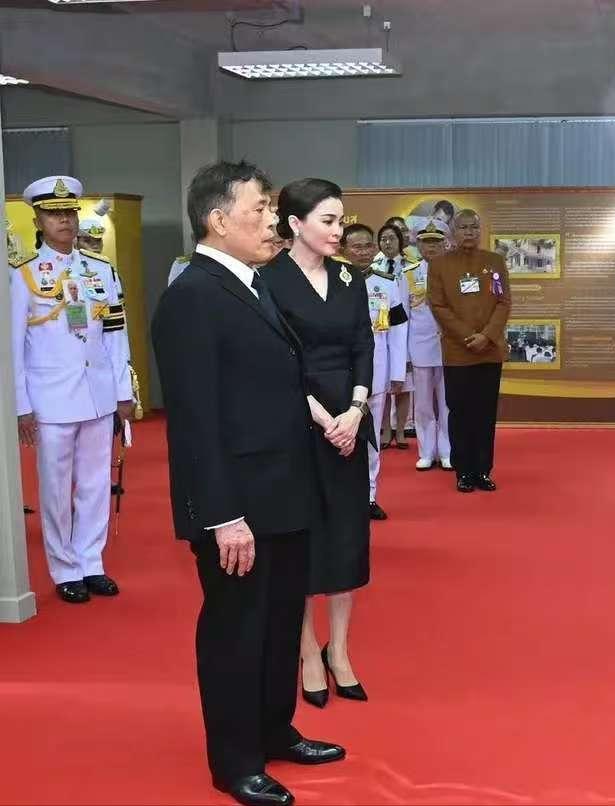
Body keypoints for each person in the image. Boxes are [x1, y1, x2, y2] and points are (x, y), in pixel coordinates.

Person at [151, 161, 345, 806]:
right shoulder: (193, 297)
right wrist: (221, 515)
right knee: (237, 631)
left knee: (281, 620)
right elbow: (195, 420)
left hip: (282, 492)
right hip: (237, 505)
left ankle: (272, 730)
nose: (271, 220)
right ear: (218, 220)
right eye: (258, 209)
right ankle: (234, 761)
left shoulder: (251, 283)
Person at [260, 180, 375, 711]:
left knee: (348, 536)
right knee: (304, 539)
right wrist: (324, 416)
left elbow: (363, 345)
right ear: (295, 223)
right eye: (328, 220)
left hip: (349, 420)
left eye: (341, 220)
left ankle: (340, 650)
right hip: (298, 420)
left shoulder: (351, 279)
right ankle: (307, 651)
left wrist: (355, 410)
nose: (338, 230)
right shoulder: (268, 280)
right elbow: (276, 359)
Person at [11, 175, 133, 604]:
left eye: (69, 212)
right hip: (50, 399)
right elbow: (13, 347)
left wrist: (123, 391)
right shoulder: (22, 275)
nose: (64, 220)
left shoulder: (100, 270)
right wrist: (21, 405)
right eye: (53, 214)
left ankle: (91, 562)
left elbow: (116, 334)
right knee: (56, 490)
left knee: (96, 485)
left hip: (97, 393)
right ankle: (64, 568)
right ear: (37, 221)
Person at [427, 209, 511, 493]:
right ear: (453, 232)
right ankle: (463, 471)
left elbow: (503, 302)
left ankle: (483, 470)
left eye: (474, 227)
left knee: (485, 413)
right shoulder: (439, 264)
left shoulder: (494, 262)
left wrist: (487, 335)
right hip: (458, 352)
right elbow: (438, 306)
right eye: (463, 227)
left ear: (480, 230)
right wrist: (467, 336)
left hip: (489, 350)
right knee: (460, 412)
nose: (469, 232)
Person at [339, 223, 408, 518]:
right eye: (357, 246)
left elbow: (398, 332)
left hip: (376, 371)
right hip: (339, 375)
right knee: (340, 437)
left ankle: (368, 496)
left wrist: (397, 373)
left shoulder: (387, 283)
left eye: (369, 246)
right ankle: (340, 498)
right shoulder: (331, 281)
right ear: (343, 248)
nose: (364, 252)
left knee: (371, 439)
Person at [407, 224, 452, 471]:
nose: (431, 247)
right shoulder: (409, 274)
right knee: (423, 404)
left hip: (449, 346)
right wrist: (405, 354)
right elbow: (403, 316)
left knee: (448, 403)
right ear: (419, 245)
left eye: (436, 242)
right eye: (426, 242)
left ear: (445, 244)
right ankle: (426, 451)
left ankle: (447, 451)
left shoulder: (454, 271)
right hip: (420, 346)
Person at [375, 223, 415, 450]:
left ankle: (400, 430)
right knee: (382, 384)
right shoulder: (373, 267)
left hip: (405, 331)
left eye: (392, 238)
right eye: (383, 239)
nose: (387, 242)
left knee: (403, 385)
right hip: (380, 331)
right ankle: (385, 430)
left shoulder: (411, 267)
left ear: (401, 241)